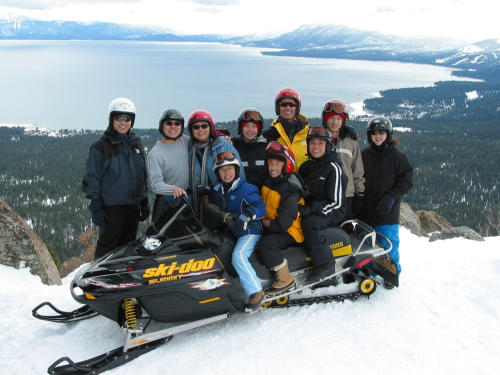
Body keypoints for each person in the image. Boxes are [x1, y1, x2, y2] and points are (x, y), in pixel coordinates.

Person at [82, 97, 149, 259]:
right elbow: (92, 178)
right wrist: (96, 206)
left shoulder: (136, 144)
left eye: (127, 119)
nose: (123, 123)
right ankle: (99, 279)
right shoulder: (101, 146)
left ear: (131, 121)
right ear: (112, 119)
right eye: (119, 118)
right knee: (108, 246)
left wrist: (143, 200)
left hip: (132, 206)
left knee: (128, 246)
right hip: (112, 208)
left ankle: (122, 281)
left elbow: (141, 174)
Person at [359, 116, 413, 289]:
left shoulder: (397, 156)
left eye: (381, 132)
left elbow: (407, 179)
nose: (378, 136)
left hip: (387, 210)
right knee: (367, 243)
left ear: (388, 134)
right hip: (367, 209)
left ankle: (391, 272)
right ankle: (369, 270)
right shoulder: (365, 155)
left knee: (388, 243)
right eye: (374, 133)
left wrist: (392, 195)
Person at [210, 151, 266, 311]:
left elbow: (261, 208)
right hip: (231, 232)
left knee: (238, 257)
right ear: (217, 173)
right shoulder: (218, 190)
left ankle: (256, 290)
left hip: (249, 232)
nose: (226, 173)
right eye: (222, 170)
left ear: (236, 170)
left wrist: (248, 215)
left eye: (230, 169)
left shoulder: (246, 189)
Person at [256, 141, 308, 296]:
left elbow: (283, 222)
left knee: (266, 244)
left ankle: (285, 279)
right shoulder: (269, 181)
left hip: (291, 230)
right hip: (272, 224)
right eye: (271, 163)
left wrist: (264, 224)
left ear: (286, 165)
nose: (273, 167)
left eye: (278, 163)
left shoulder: (290, 190)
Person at [298, 127, 347, 283]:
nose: (316, 147)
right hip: (312, 208)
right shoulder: (306, 167)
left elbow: (336, 202)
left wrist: (311, 210)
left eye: (320, 143)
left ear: (327, 146)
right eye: (312, 143)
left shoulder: (333, 167)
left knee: (311, 223)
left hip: (333, 210)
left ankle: (326, 265)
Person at [187, 109, 244, 216]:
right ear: (191, 130)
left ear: (211, 128)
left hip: (223, 204)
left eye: (204, 126)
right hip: (198, 204)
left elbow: (239, 176)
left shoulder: (223, 146)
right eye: (196, 127)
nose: (200, 130)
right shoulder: (190, 149)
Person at [322, 99, 365, 219]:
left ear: (343, 120)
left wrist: (359, 193)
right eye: (331, 118)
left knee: (346, 232)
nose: (335, 122)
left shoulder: (351, 140)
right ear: (325, 119)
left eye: (338, 118)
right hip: (327, 194)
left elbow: (357, 169)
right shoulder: (320, 139)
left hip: (347, 194)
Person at [146, 108, 190, 222]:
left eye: (177, 123)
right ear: (162, 126)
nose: (173, 127)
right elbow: (155, 184)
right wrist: (173, 189)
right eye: (169, 123)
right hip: (167, 201)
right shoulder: (155, 154)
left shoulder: (186, 141)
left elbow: (204, 139)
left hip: (188, 198)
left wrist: (223, 138)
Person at [262, 87, 310, 171]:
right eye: (284, 105)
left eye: (292, 105)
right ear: (278, 107)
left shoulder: (309, 132)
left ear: (297, 107)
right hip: (280, 182)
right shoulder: (269, 135)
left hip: (306, 181)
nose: (288, 108)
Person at [231, 108, 267, 188]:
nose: (250, 130)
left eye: (254, 126)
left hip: (262, 195)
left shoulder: (265, 147)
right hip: (241, 193)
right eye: (246, 126)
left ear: (258, 129)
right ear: (241, 128)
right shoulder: (234, 147)